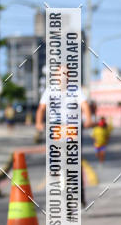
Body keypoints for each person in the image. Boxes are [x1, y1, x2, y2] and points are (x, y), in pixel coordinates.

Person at [35, 70, 92, 204]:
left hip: (72, 127)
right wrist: (39, 123)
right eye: (60, 74)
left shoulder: (75, 90)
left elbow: (85, 106)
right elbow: (41, 109)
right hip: (56, 127)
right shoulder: (49, 91)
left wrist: (88, 118)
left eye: (66, 74)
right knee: (54, 157)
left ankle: (80, 194)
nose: (63, 76)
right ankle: (56, 172)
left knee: (75, 162)